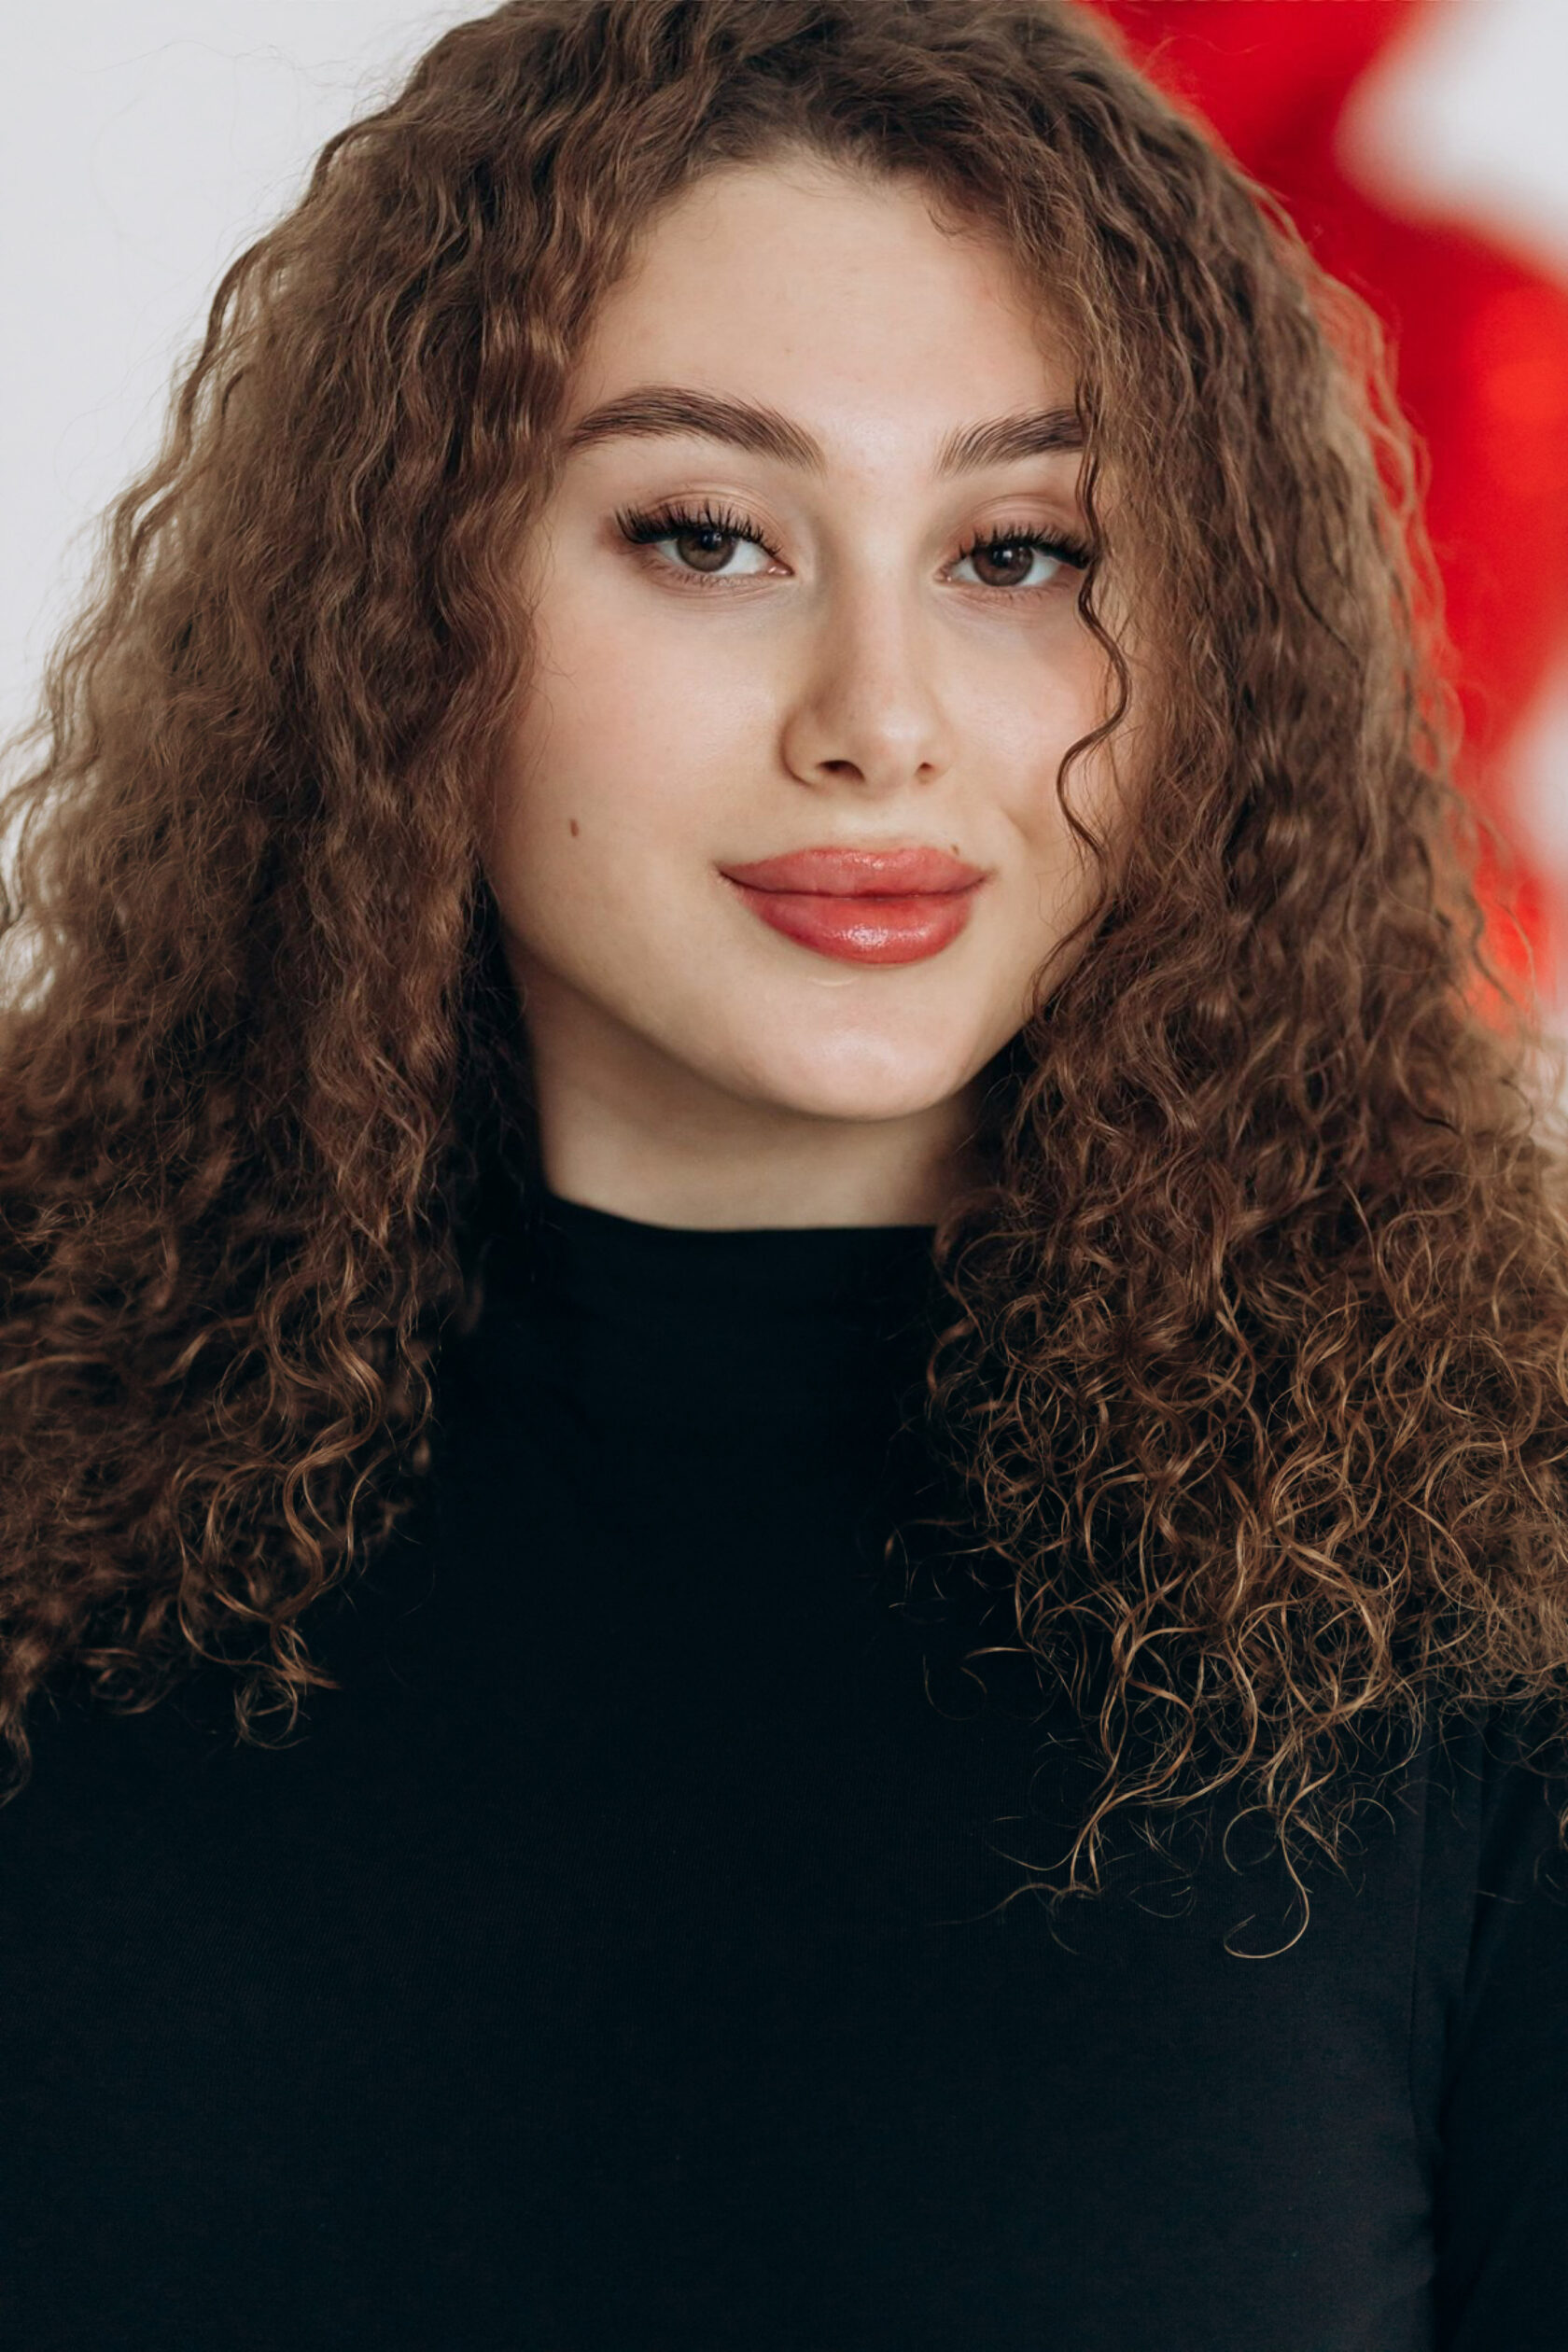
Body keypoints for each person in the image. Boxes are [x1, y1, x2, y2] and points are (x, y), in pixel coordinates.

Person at [2, 0, 1566, 2344]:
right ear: (406, 603)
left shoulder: (1497, 1595)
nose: (881, 720)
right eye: (708, 536)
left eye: (1020, 552)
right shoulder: (39, 1478)